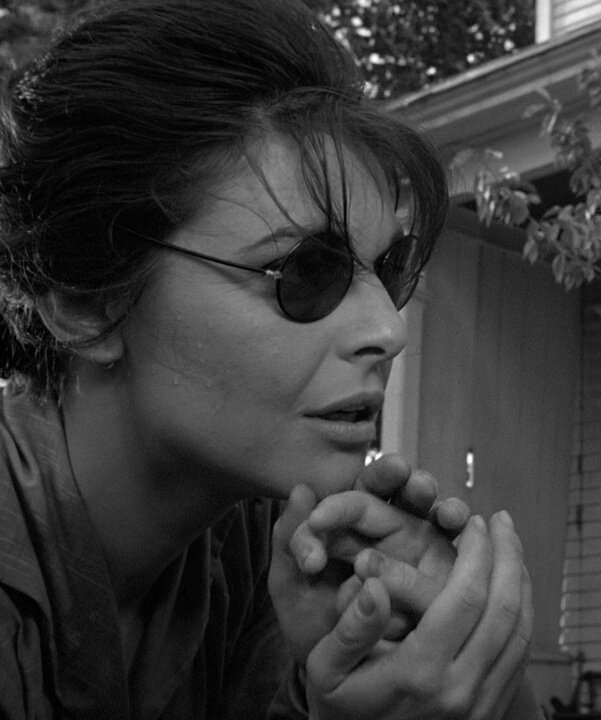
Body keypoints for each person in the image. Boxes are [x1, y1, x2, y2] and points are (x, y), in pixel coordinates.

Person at [0, 0, 538, 717]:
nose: (388, 327)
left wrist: (430, 664)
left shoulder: (277, 566)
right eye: (306, 272)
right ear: (85, 301)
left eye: (391, 268)